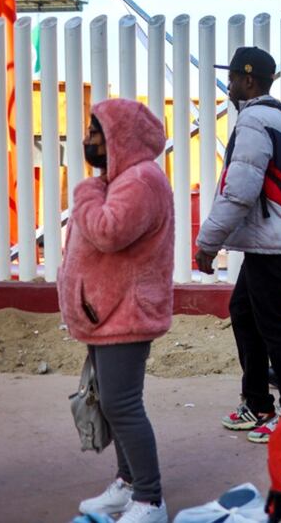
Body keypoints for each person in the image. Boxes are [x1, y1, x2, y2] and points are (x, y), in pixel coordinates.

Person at [195, 47, 281, 444]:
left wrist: (208, 243)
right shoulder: (277, 116)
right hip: (271, 242)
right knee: (244, 312)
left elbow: (239, 193)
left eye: (231, 79)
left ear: (248, 80)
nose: (228, 86)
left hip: (272, 244)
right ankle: (258, 402)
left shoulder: (254, 122)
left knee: (275, 328)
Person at [60, 99, 174, 523]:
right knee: (112, 402)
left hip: (127, 312)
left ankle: (150, 499)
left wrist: (87, 191)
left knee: (122, 404)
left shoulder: (140, 181)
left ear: (119, 137)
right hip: (108, 313)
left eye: (97, 131)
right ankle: (128, 484)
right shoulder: (124, 177)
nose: (89, 139)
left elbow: (109, 231)